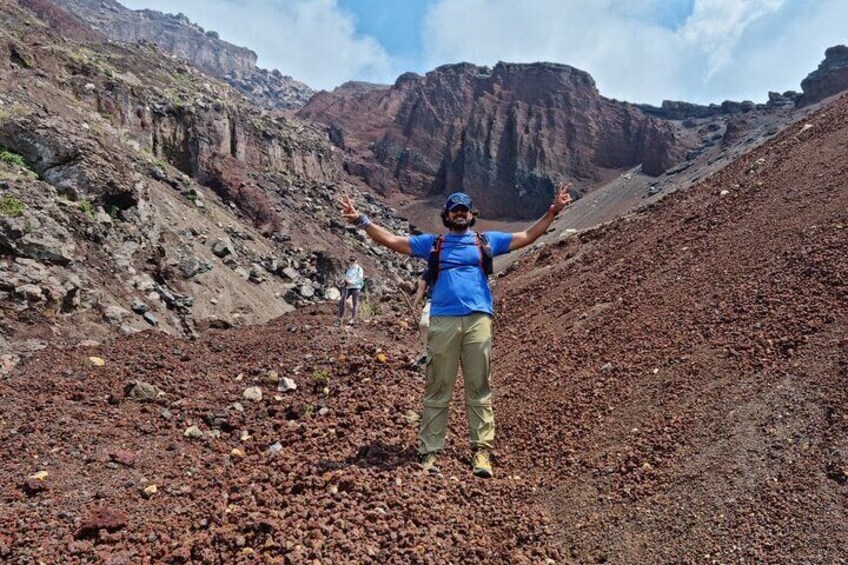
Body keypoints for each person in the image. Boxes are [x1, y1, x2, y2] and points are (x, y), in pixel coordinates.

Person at [340, 184, 572, 478]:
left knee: (479, 386)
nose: (460, 214)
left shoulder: (485, 242)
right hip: (443, 320)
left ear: (471, 215)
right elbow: (394, 241)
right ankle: (429, 452)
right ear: (447, 216)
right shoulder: (433, 245)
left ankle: (482, 452)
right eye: (455, 210)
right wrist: (362, 221)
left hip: (478, 320)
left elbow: (527, 236)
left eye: (464, 209)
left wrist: (554, 211)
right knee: (439, 386)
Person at [411, 267, 433, 369]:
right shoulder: (431, 268)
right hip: (433, 300)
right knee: (424, 324)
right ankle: (426, 354)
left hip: (452, 303)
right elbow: (421, 288)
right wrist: (414, 305)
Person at [338, 256, 364, 326]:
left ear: (356, 261)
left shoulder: (359, 269)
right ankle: (340, 319)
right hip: (348, 288)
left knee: (354, 303)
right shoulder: (348, 269)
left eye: (353, 260)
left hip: (356, 288)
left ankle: (352, 319)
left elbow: (359, 280)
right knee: (341, 301)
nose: (352, 261)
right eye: (351, 260)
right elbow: (346, 277)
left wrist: (350, 282)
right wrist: (343, 281)